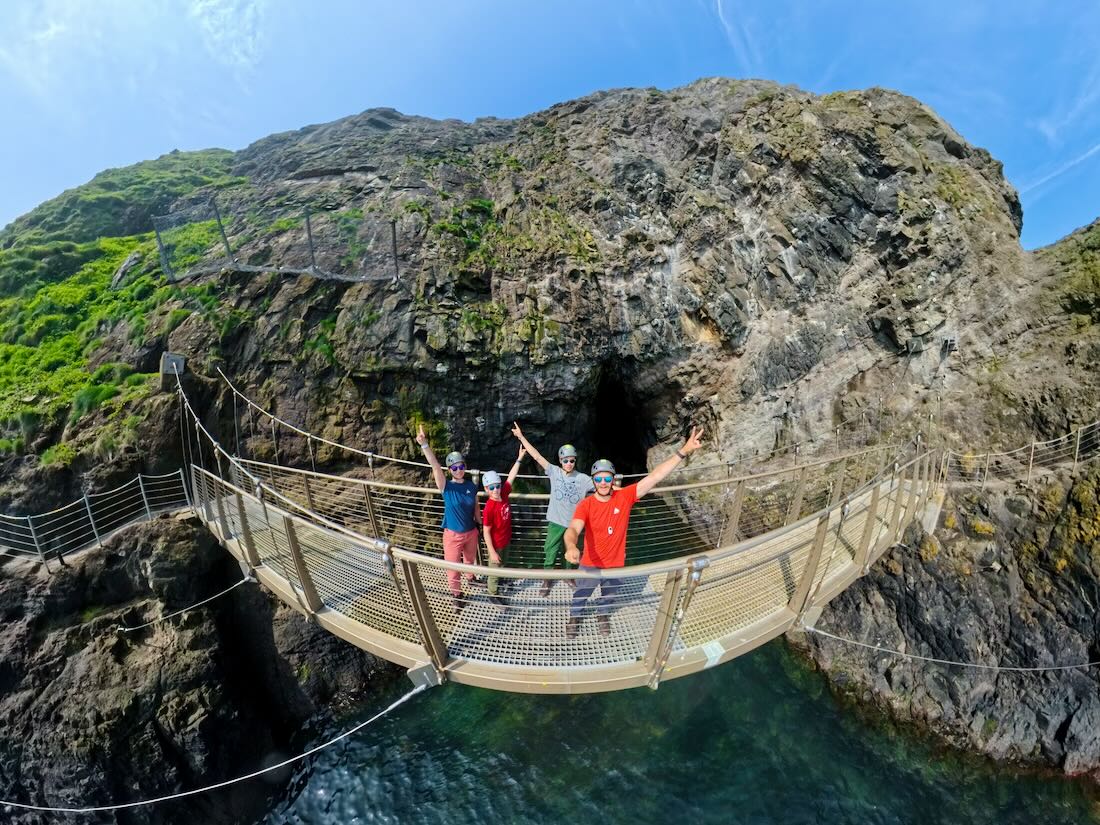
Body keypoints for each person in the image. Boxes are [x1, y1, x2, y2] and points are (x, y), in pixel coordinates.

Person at [564, 427, 705, 639]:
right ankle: (575, 617)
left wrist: (683, 451)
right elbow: (573, 529)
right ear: (593, 481)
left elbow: (656, 476)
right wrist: (571, 546)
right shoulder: (586, 504)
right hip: (590, 562)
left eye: (607, 479)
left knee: (609, 595)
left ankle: (602, 615)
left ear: (613, 479)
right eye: (599, 479)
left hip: (616, 562)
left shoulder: (625, 497)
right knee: (581, 593)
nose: (603, 483)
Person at [511, 421, 594, 597]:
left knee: (570, 552)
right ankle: (547, 578)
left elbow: (603, 487)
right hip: (555, 522)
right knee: (550, 550)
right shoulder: (554, 472)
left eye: (572, 460)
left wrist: (625, 492)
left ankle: (568, 576)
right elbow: (537, 457)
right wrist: (521, 437)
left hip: (573, 524)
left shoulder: (584, 479)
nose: (569, 463)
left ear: (575, 460)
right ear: (560, 461)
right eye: (566, 460)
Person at [416, 423, 480, 611]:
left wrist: (480, 524)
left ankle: (471, 578)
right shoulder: (446, 487)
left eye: (461, 466)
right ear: (449, 470)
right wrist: (424, 445)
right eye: (454, 468)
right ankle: (456, 595)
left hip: (471, 531)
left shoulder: (470, 486)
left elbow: (475, 504)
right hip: (452, 534)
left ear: (465, 467)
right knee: (452, 567)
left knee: (470, 559)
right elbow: (435, 467)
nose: (458, 470)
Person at [481, 444, 527, 604]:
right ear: (486, 489)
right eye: (492, 487)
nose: (496, 490)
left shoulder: (504, 493)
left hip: (506, 540)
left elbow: (511, 477)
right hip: (496, 544)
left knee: (503, 563)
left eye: (497, 486)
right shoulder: (489, 508)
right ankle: (492, 593)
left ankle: (500, 582)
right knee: (494, 569)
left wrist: (519, 459)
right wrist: (492, 551)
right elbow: (486, 532)